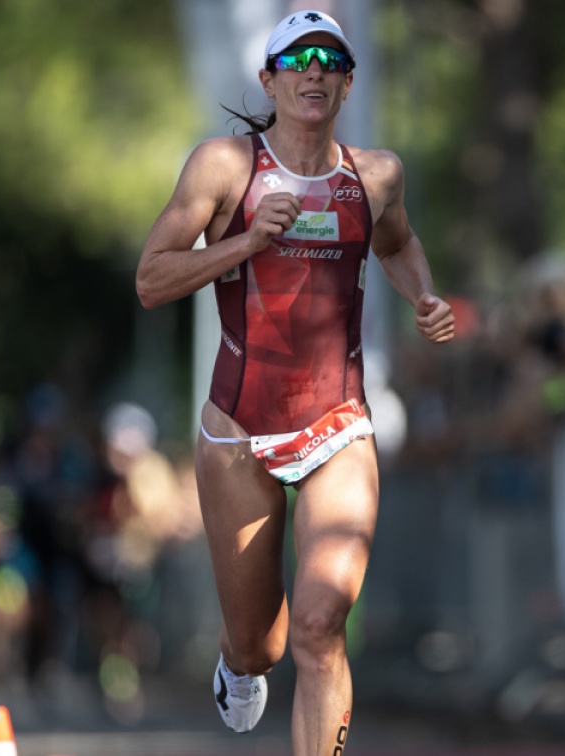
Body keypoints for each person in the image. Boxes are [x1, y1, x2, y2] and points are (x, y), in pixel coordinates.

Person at [135, 11, 455, 750]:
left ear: (347, 83)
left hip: (338, 427)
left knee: (320, 624)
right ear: (269, 79)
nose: (314, 70)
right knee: (264, 645)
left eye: (330, 60)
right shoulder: (224, 166)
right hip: (239, 432)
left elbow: (399, 245)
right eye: (297, 60)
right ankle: (238, 663)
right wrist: (248, 240)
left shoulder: (375, 175)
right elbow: (151, 280)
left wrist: (425, 298)